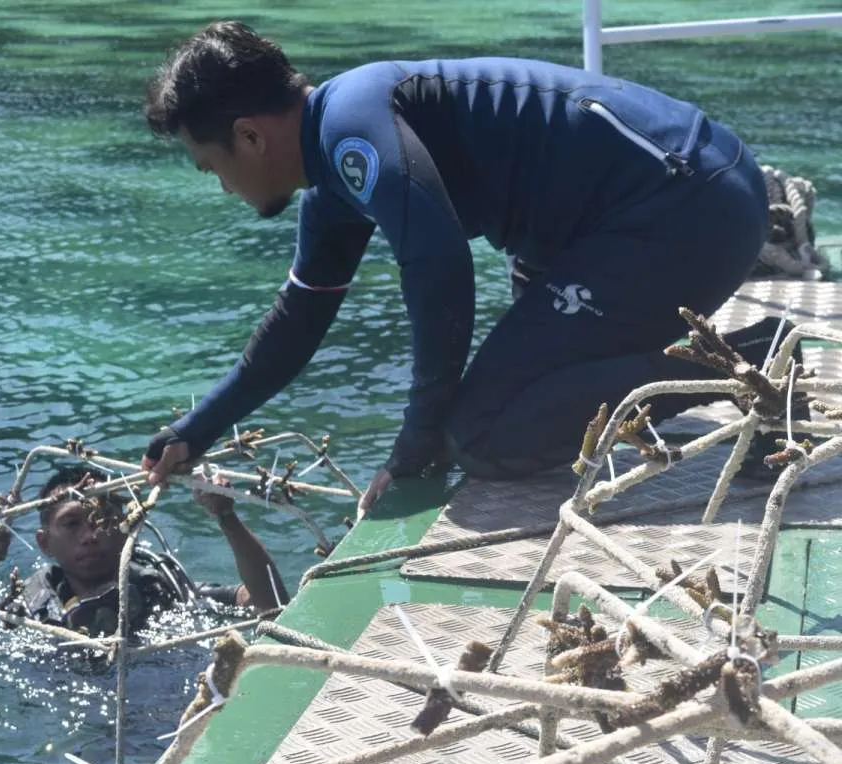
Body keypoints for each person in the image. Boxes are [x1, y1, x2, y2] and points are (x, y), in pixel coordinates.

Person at [138, 22, 793, 510]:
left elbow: (439, 266)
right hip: (676, 201)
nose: (223, 187)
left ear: (249, 136)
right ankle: (739, 361)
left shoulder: (351, 129)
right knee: (511, 406)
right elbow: (297, 320)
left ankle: (747, 373)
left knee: (482, 433)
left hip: (687, 207)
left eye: (212, 166)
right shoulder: (335, 168)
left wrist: (416, 444)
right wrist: (197, 429)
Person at [0, 465, 288, 666]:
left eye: (103, 519)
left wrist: (227, 517)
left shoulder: (162, 584)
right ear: (44, 543)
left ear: (128, 527)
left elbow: (270, 603)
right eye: (72, 524)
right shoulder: (28, 612)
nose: (90, 536)